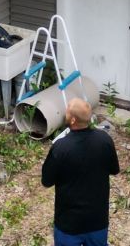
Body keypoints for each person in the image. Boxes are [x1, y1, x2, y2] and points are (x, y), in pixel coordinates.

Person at [40, 98, 119, 246]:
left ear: (73, 120)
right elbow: (114, 170)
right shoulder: (105, 140)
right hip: (97, 220)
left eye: (68, 109)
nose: (65, 112)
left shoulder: (61, 147)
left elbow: (46, 181)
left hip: (69, 223)